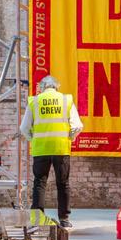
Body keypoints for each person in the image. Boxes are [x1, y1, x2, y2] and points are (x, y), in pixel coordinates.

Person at [20, 75, 83, 227]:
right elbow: (77, 126)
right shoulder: (66, 100)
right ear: (56, 87)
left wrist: (33, 139)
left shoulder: (34, 101)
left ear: (42, 87)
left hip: (41, 149)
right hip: (61, 148)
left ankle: (37, 219)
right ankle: (64, 219)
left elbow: (24, 128)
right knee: (63, 183)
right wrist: (70, 138)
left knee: (39, 183)